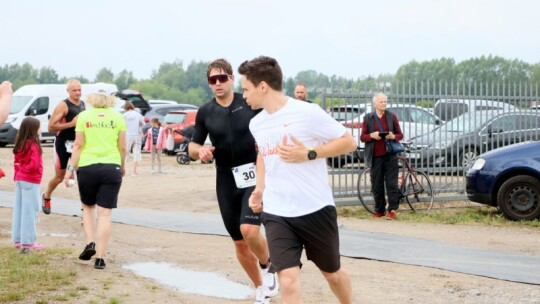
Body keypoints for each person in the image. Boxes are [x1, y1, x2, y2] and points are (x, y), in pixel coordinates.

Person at [239, 56, 355, 304]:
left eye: (246, 88)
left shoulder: (307, 113)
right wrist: (259, 188)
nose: (243, 95)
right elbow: (263, 154)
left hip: (315, 209)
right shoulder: (256, 124)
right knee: (288, 282)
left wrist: (310, 153)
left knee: (332, 275)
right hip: (278, 212)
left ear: (263, 86)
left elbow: (348, 142)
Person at [188, 58, 278, 303]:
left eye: (221, 78)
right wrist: (200, 152)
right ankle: (261, 287)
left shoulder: (247, 102)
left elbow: (272, 125)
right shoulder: (206, 111)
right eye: (212, 80)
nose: (217, 83)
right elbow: (193, 146)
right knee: (239, 243)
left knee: (249, 229)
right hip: (226, 178)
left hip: (252, 173)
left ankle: (269, 264)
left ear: (230, 79)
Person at [63, 93, 126, 269]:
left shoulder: (84, 116)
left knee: (88, 207)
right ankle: (100, 258)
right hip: (111, 166)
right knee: (104, 214)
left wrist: (69, 171)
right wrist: (122, 165)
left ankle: (90, 242)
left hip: (87, 166)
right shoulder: (117, 116)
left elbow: (78, 145)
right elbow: (122, 146)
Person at [42, 79, 86, 214]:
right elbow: (50, 126)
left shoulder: (83, 104)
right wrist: (71, 124)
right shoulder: (63, 105)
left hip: (78, 146)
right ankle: (47, 196)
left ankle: (85, 210)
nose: (78, 93)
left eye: (79, 90)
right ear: (68, 91)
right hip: (62, 144)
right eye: (74, 90)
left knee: (83, 177)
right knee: (59, 177)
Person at [359, 93, 403, 220]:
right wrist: (372, 136)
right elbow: (363, 137)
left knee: (391, 183)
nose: (384, 104)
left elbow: (400, 135)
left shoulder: (391, 116)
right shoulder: (368, 118)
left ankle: (393, 210)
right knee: (376, 184)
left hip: (390, 156)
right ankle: (379, 209)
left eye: (385, 101)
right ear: (375, 104)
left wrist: (392, 136)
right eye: (381, 102)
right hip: (375, 156)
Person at [11, 117, 44, 253]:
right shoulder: (33, 145)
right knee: (29, 212)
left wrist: (20, 169)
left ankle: (18, 238)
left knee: (19, 209)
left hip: (20, 179)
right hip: (30, 180)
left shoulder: (21, 144)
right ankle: (28, 242)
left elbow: (17, 162)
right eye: (38, 127)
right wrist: (24, 169)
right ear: (33, 129)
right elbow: (34, 165)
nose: (40, 130)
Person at [123, 101, 145, 176]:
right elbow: (143, 123)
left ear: (125, 107)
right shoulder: (138, 114)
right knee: (136, 152)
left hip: (127, 135)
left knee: (126, 153)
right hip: (137, 135)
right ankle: (134, 172)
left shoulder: (124, 115)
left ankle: (123, 171)